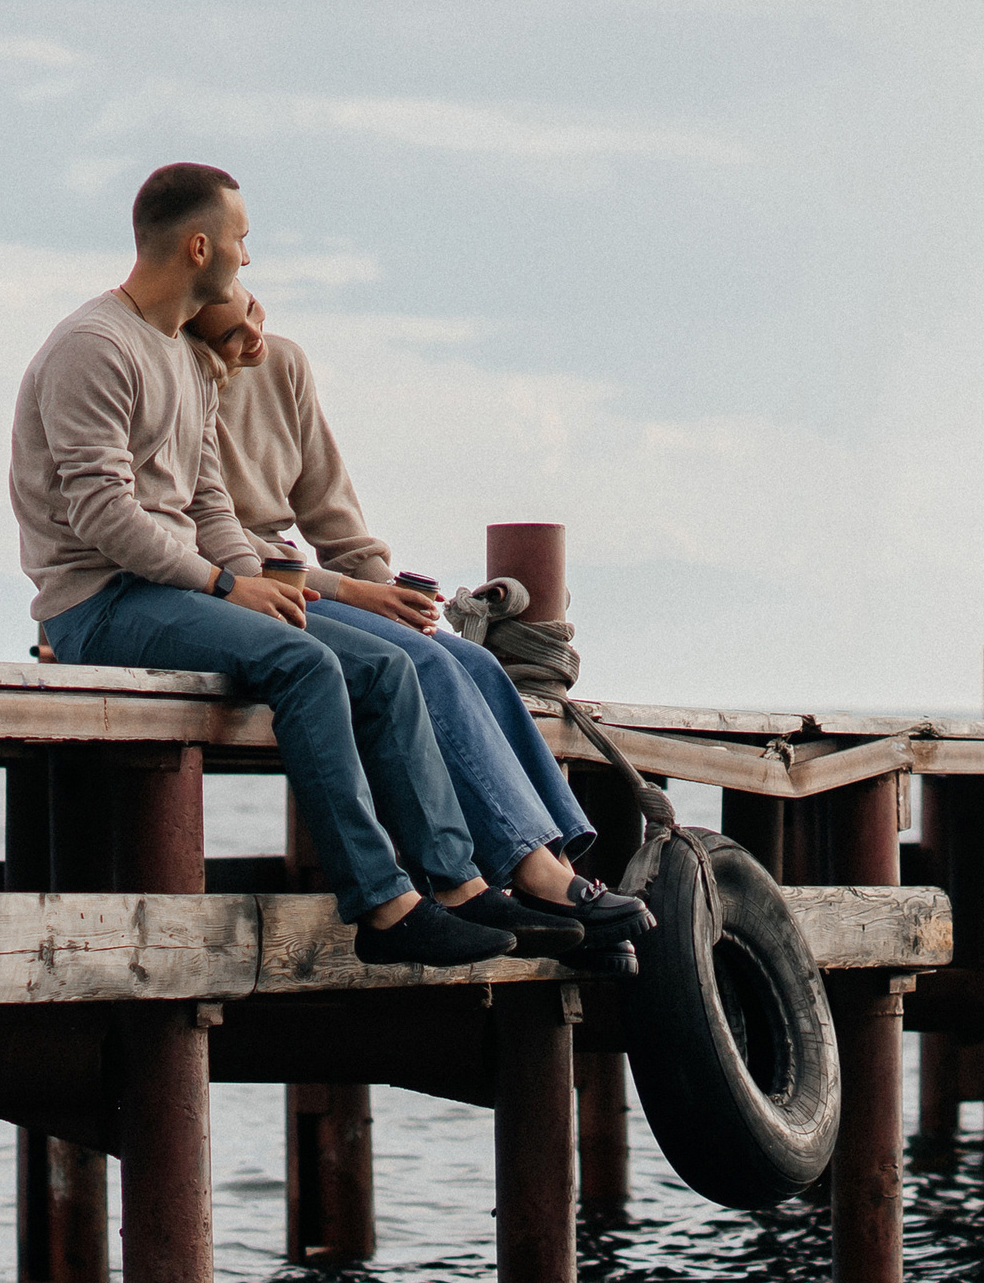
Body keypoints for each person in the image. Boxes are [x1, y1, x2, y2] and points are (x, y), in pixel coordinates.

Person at [10, 163, 573, 965]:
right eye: (241, 242)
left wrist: (265, 586)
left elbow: (207, 504)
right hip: (100, 603)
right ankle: (383, 905)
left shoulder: (180, 353)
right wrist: (226, 585)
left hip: (175, 593)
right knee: (306, 666)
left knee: (383, 666)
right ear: (200, 246)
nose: (247, 258)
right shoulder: (94, 347)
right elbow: (104, 515)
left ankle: (458, 885)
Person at [184, 285, 652, 952]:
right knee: (421, 665)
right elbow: (208, 536)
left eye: (256, 316)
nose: (254, 342)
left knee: (477, 662)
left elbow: (332, 514)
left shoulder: (281, 365)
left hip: (314, 580)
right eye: (233, 332)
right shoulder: (180, 382)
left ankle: (551, 876)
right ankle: (529, 873)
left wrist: (387, 593)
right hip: (250, 589)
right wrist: (351, 593)